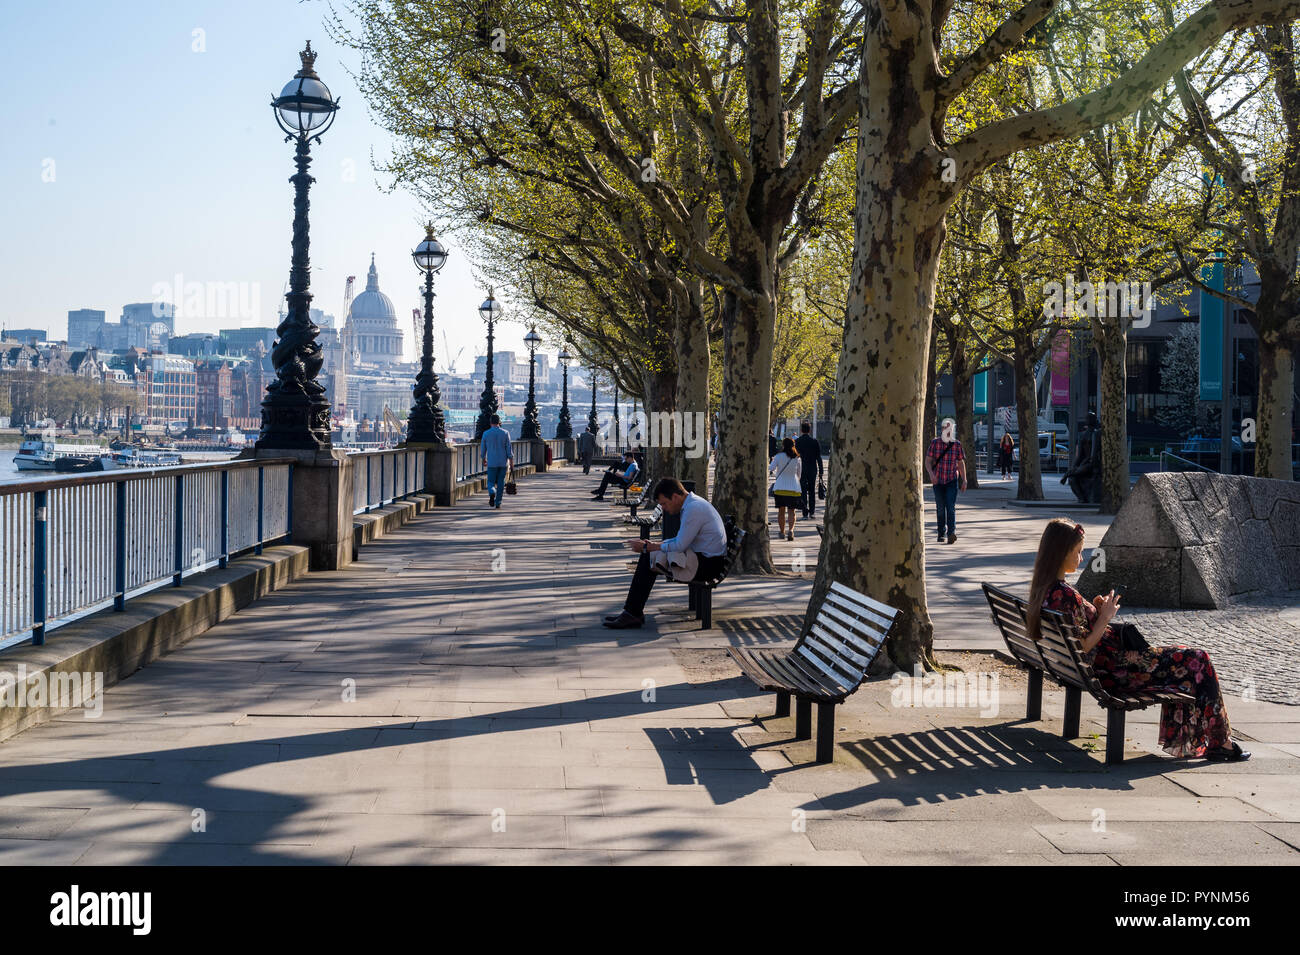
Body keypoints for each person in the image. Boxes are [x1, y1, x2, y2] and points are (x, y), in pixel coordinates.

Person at [1027, 517, 1249, 761]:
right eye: (1077, 552)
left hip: (1111, 665)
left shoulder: (1048, 590)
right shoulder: (1063, 594)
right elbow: (1083, 646)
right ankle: (1221, 742)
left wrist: (1098, 611)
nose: (1081, 559)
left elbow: (1078, 639)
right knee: (1198, 660)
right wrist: (1105, 617)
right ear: (1061, 553)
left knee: (1188, 666)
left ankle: (1207, 741)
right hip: (1119, 671)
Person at [603, 478, 727, 629]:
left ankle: (632, 613)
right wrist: (653, 546)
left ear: (675, 496)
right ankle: (632, 612)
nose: (664, 508)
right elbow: (679, 540)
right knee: (650, 555)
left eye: (664, 503)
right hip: (704, 559)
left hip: (706, 566)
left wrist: (649, 548)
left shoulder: (694, 509)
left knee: (649, 556)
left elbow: (680, 545)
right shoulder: (693, 504)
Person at [925, 418, 967, 544]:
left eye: (951, 429)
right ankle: (941, 533)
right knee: (940, 508)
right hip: (937, 480)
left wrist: (964, 480)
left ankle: (951, 533)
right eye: (946, 428)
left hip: (951, 480)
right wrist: (931, 475)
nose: (949, 431)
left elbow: (960, 463)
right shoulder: (935, 443)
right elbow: (927, 461)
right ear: (942, 429)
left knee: (950, 507)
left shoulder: (957, 444)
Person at [769, 437, 802, 541]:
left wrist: (777, 475)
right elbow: (799, 474)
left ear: (783, 445)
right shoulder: (797, 458)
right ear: (793, 445)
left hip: (780, 487)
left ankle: (782, 532)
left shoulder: (778, 457)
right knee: (792, 511)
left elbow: (771, 468)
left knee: (781, 511)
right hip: (793, 488)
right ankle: (791, 531)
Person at [481, 414, 514, 509]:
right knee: (501, 483)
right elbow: (509, 450)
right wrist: (511, 463)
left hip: (491, 462)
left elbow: (483, 450)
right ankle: (498, 502)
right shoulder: (505, 433)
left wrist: (483, 459)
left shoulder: (486, 434)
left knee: (490, 482)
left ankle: (492, 492)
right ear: (499, 422)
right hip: (503, 463)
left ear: (490, 422)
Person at [794, 421, 823, 519]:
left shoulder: (797, 442)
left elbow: (795, 457)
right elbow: (818, 457)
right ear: (809, 430)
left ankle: (805, 512)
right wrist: (821, 471)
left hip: (801, 469)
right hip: (812, 469)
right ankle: (812, 512)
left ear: (801, 430)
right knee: (811, 491)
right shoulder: (814, 441)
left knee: (802, 491)